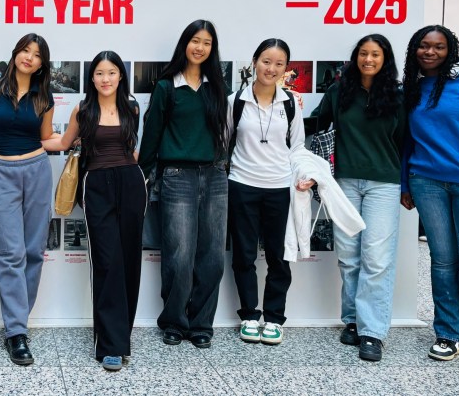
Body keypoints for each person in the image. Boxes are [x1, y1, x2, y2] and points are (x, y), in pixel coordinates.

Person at [43, 51, 144, 371]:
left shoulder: (132, 107)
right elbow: (62, 143)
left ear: (120, 76)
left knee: (129, 261)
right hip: (97, 186)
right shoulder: (82, 109)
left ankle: (120, 334)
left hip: (131, 184)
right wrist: (22, 144)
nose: (105, 79)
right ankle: (110, 345)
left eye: (111, 73)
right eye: (100, 73)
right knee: (106, 261)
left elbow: (133, 149)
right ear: (92, 78)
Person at [311, 34, 406, 361]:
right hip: (345, 182)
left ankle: (372, 332)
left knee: (377, 259)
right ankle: (351, 320)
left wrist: (406, 185)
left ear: (385, 59)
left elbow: (406, 142)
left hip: (384, 183)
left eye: (375, 54)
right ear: (356, 57)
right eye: (363, 53)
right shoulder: (340, 93)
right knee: (350, 256)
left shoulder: (397, 96)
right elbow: (317, 125)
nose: (368, 59)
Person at [400, 24, 459, 361]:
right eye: (424, 46)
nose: (430, 52)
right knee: (443, 259)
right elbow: (407, 140)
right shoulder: (412, 86)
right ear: (415, 49)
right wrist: (406, 183)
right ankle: (450, 333)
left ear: (450, 48)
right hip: (426, 181)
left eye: (438, 46)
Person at [137, 19, 229, 348]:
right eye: (194, 40)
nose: (199, 47)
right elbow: (152, 135)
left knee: (213, 256)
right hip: (177, 177)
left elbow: (225, 134)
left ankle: (202, 323)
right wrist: (144, 173)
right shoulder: (166, 87)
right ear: (184, 44)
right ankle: (175, 321)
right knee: (179, 255)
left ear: (211, 48)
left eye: (206, 42)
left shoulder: (216, 86)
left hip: (216, 176)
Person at [227, 38, 310, 346]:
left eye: (278, 64)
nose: (271, 68)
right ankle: (249, 315)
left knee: (278, 256)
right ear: (254, 62)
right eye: (265, 61)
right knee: (244, 255)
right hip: (242, 185)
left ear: (285, 69)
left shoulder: (290, 103)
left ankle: (274, 318)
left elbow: (298, 147)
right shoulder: (235, 101)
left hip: (280, 188)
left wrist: (304, 176)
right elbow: (225, 142)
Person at [0, 33, 54, 366]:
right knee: (9, 253)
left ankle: (18, 322)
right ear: (15, 54)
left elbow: (47, 139)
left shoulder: (44, 97)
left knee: (32, 252)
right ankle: (16, 333)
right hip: (1, 172)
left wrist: (76, 134)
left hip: (37, 170)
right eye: (25, 50)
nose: (29, 57)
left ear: (42, 63)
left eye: (36, 54)